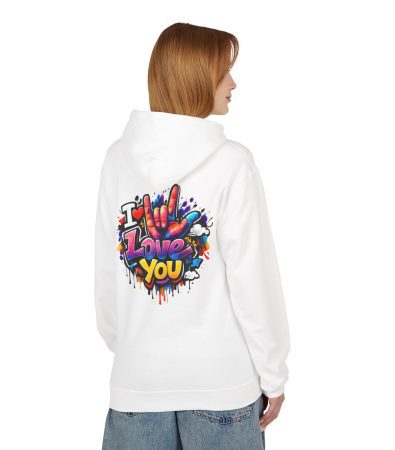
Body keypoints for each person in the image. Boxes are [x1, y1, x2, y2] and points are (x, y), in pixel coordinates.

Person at [95, 22, 291, 450]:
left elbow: (107, 276)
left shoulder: (117, 159)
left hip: (136, 385)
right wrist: (273, 373)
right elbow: (253, 281)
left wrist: (135, 349)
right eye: (224, 71)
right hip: (221, 386)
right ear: (197, 77)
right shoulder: (232, 163)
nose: (233, 83)